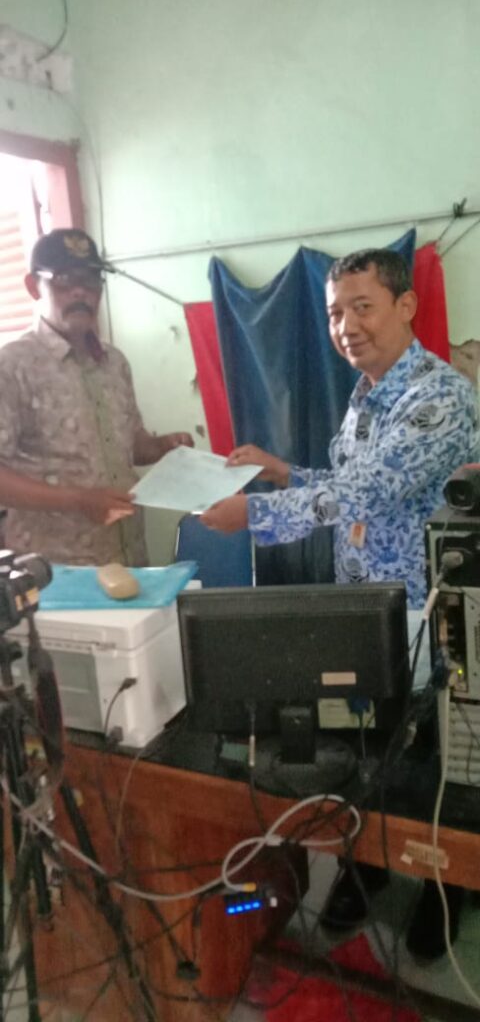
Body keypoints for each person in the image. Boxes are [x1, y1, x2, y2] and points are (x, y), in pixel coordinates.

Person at [201, 247, 479, 959]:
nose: (346, 327)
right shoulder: (364, 393)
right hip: (364, 613)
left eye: (362, 308)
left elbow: (367, 492)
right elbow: (343, 480)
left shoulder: (440, 398)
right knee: (367, 750)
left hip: (428, 617)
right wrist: (282, 471)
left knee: (436, 766)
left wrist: (256, 514)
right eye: (333, 314)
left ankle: (443, 892)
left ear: (405, 307)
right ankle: (369, 869)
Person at [0, 228, 193, 566]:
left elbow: (131, 446)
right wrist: (78, 500)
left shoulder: (114, 362)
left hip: (129, 556)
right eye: (64, 280)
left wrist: (162, 445)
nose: (81, 292)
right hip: (58, 569)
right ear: (33, 286)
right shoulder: (12, 366)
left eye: (91, 281)